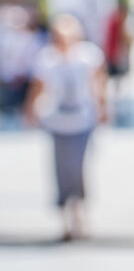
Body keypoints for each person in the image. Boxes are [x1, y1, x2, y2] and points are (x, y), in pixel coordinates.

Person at [23, 14, 107, 240]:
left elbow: (98, 83)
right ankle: (66, 218)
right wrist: (30, 111)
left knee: (78, 167)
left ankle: (79, 211)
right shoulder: (47, 59)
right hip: (58, 122)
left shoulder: (89, 56)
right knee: (61, 169)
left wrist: (103, 108)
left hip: (82, 120)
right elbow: (38, 87)